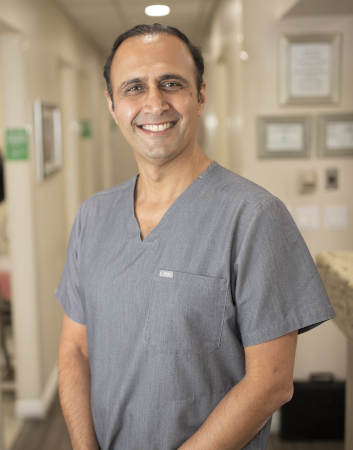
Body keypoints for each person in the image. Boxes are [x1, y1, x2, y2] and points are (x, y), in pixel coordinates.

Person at [56, 23, 335, 450]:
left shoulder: (255, 217)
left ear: (200, 95)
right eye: (133, 88)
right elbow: (75, 349)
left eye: (172, 83)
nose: (154, 102)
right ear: (112, 106)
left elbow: (272, 383)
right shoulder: (94, 216)